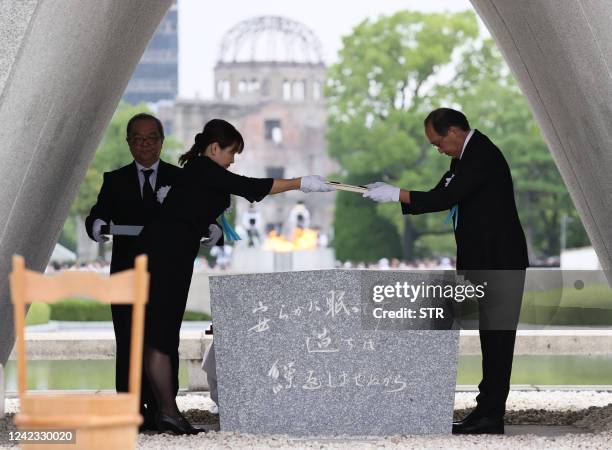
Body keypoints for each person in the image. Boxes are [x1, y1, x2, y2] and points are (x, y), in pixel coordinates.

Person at [138, 118, 335, 434]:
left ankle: (164, 409)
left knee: (160, 332)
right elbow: (251, 188)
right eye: (231, 153)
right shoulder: (205, 168)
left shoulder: (200, 169)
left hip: (171, 253)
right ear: (214, 148)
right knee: (160, 334)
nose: (232, 160)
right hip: (167, 257)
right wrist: (300, 183)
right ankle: (167, 411)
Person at [363, 108, 528, 435]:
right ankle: (486, 411)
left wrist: (396, 194)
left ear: (453, 131)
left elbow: (445, 197)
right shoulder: (463, 159)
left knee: (497, 339)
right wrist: (399, 195)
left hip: (499, 260)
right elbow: (443, 193)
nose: (438, 148)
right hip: (485, 261)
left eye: (438, 142)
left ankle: (491, 416)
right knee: (489, 338)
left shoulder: (480, 154)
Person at [85, 113, 182, 431]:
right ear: (129, 143)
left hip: (166, 274)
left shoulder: (178, 178)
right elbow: (98, 214)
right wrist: (97, 225)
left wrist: (211, 226)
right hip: (126, 274)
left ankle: (162, 407)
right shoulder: (114, 180)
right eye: (137, 139)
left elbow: (197, 214)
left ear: (161, 140)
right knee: (128, 338)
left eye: (151, 138)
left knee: (165, 340)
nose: (144, 145)